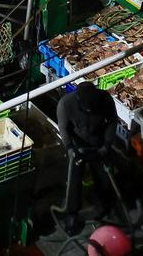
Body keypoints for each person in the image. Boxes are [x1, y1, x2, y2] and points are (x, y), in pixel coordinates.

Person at [56, 82, 119, 235]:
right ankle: (72, 214)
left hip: (98, 142)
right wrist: (70, 148)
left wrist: (107, 144)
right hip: (77, 145)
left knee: (103, 177)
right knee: (74, 179)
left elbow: (112, 121)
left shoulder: (105, 99)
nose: (90, 109)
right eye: (86, 107)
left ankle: (105, 207)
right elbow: (63, 128)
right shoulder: (65, 104)